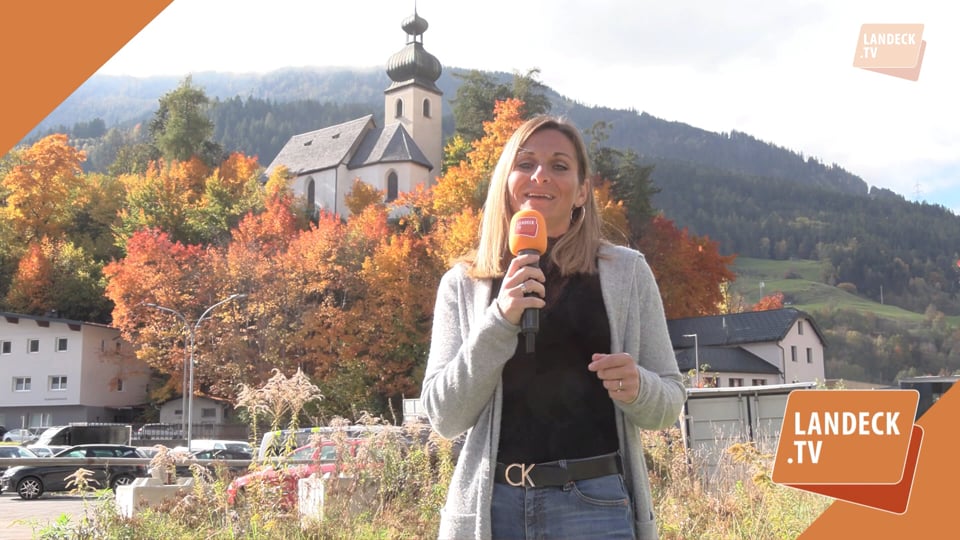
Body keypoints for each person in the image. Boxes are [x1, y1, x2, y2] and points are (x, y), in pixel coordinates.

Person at [420, 115, 686, 539]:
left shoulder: (626, 273)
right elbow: (444, 417)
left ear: (581, 191)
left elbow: (669, 402)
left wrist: (638, 387)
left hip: (594, 509)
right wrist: (499, 321)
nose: (540, 175)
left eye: (559, 165)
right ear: (506, 181)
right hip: (493, 509)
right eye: (525, 163)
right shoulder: (463, 284)